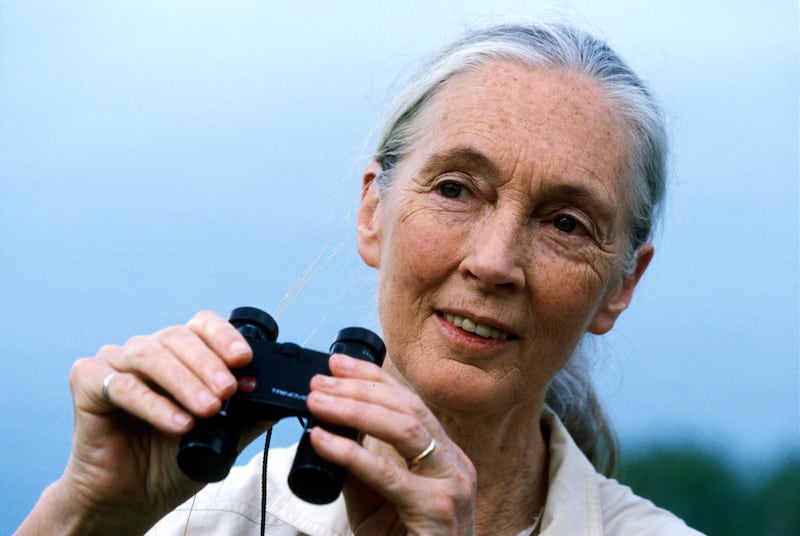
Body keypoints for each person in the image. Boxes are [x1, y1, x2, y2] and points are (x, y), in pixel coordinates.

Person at [17, 21, 704, 535]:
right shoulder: (210, 520)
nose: (494, 262)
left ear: (621, 284)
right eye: (458, 189)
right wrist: (87, 515)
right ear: (373, 209)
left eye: (566, 225)